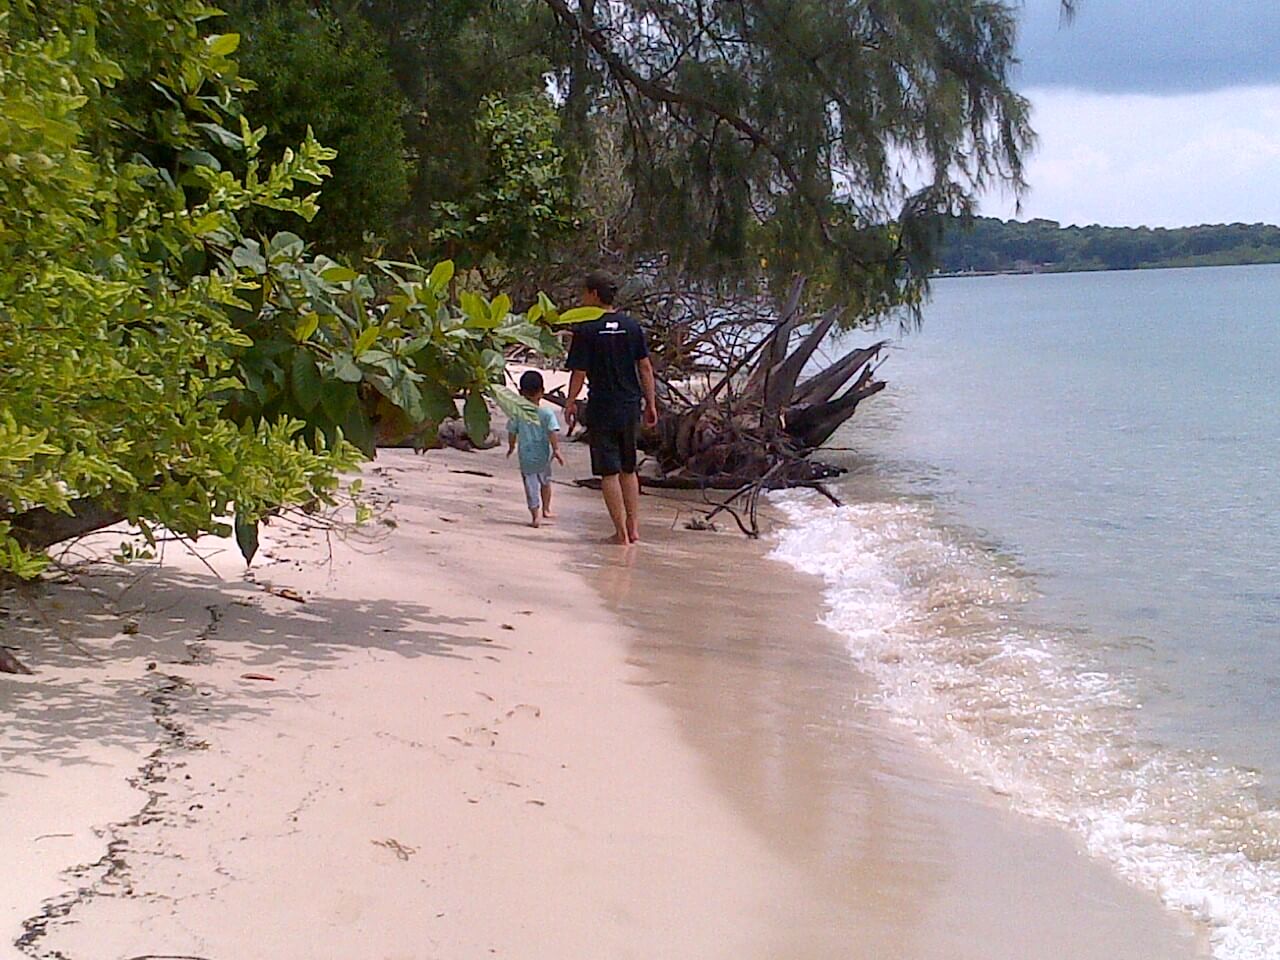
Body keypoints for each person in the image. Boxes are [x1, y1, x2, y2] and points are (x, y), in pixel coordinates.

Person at [563, 271, 658, 546]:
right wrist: (650, 403)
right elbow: (645, 367)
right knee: (629, 469)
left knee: (608, 472)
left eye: (584, 293)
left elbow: (579, 373)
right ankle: (634, 525)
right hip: (629, 405)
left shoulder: (587, 329)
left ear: (594, 294)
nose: (582, 299)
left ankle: (620, 532)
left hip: (602, 406)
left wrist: (570, 402)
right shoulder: (631, 326)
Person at [506, 370, 564, 528]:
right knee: (545, 482)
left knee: (530, 485)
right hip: (543, 456)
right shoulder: (546, 413)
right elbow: (552, 432)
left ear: (521, 392)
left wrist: (511, 446)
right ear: (542, 392)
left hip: (526, 457)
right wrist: (556, 449)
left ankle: (535, 516)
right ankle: (546, 509)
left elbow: (512, 432)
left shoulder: (517, 413)